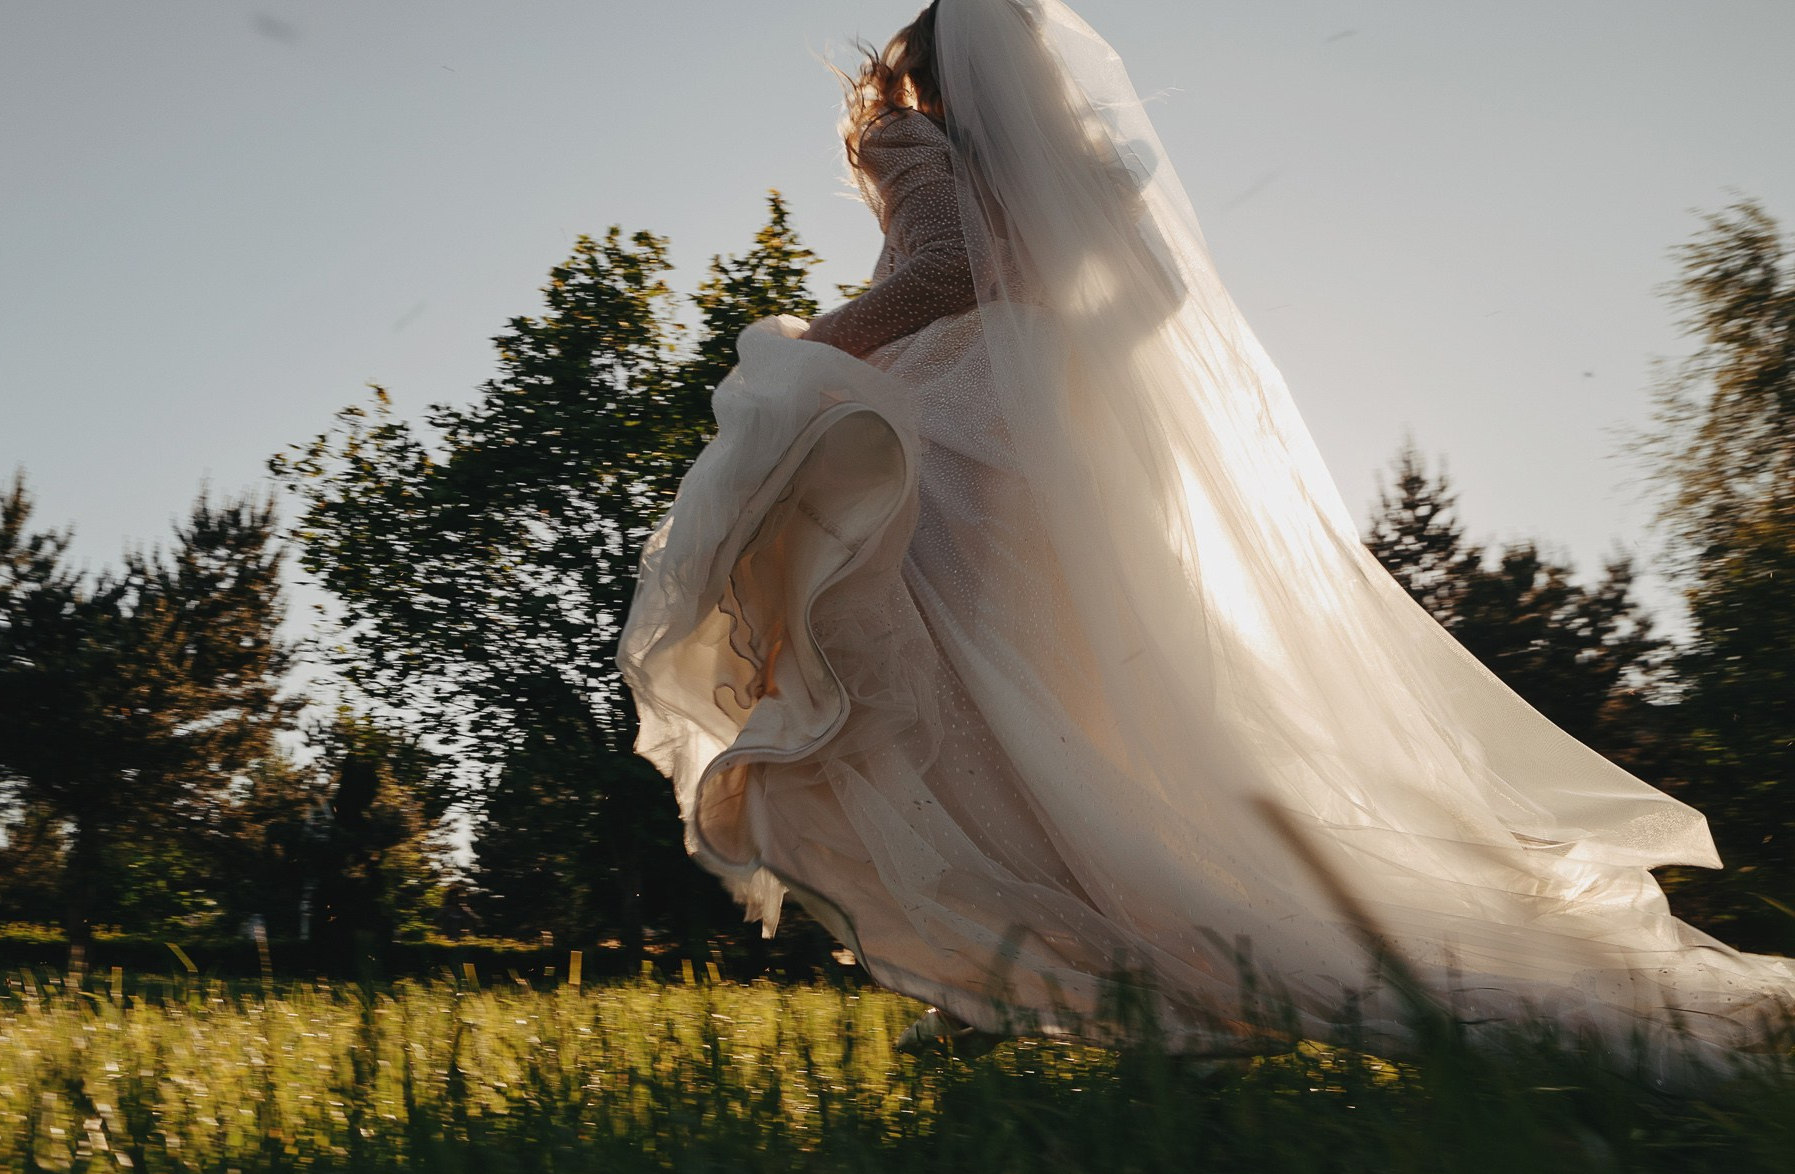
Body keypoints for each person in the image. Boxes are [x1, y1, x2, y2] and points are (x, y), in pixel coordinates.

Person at [617, 0, 1794, 1079]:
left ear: (919, 59)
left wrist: (810, 354)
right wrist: (1064, 373)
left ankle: (1056, 979)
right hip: (1050, 465)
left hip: (961, 458)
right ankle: (1026, 983)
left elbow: (940, 270)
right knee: (1056, 731)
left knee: (936, 718)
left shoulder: (908, 137)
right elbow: (1157, 303)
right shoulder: (1082, 169)